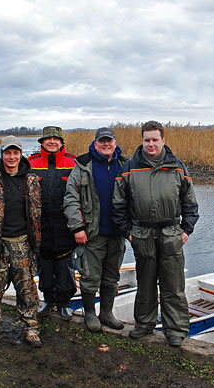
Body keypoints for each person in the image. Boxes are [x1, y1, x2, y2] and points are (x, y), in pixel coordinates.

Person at [112, 120, 199, 347]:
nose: (150, 144)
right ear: (142, 141)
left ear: (163, 140)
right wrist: (127, 232)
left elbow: (190, 203)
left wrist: (187, 229)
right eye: (146, 140)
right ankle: (144, 324)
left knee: (173, 285)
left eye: (155, 140)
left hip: (171, 233)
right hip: (141, 233)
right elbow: (118, 204)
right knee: (146, 283)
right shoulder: (130, 167)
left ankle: (176, 330)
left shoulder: (178, 167)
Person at [0, 136, 42, 348]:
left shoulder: (31, 180)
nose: (12, 157)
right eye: (8, 153)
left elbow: (37, 213)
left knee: (27, 289)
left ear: (21, 154)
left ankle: (30, 327)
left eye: (16, 153)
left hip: (22, 243)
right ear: (2, 154)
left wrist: (36, 244)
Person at [64, 127, 127, 332]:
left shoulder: (125, 165)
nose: (106, 144)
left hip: (117, 234)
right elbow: (71, 198)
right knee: (90, 276)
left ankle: (107, 313)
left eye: (109, 141)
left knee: (112, 276)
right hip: (92, 233)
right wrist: (77, 227)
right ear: (95, 143)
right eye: (102, 141)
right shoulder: (83, 165)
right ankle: (90, 314)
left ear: (115, 143)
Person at [28, 126, 77, 320]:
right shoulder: (30, 163)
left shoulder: (73, 163)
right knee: (45, 267)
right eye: (47, 139)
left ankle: (65, 303)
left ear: (61, 143)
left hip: (65, 226)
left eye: (55, 139)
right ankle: (48, 300)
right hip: (41, 227)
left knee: (65, 267)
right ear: (42, 142)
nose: (51, 142)